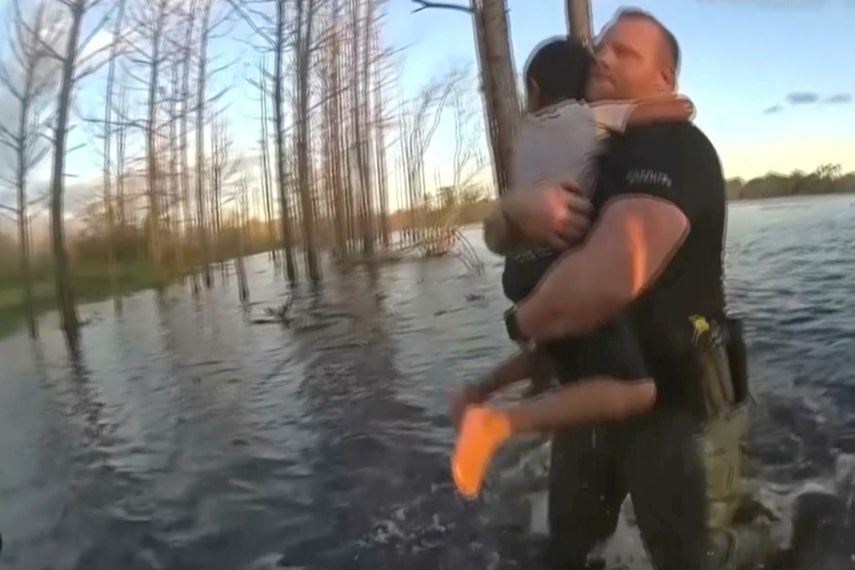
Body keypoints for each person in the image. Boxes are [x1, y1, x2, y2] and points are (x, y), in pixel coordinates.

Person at [453, 8, 752, 570]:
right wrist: (518, 211)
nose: (604, 58)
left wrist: (521, 323)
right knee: (570, 548)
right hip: (590, 396)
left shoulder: (677, 150)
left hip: (676, 412)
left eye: (626, 53)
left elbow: (610, 277)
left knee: (690, 559)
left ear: (664, 79)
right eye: (603, 49)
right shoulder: (587, 149)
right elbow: (498, 238)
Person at [453, 36, 695, 498]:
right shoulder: (588, 119)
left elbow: (499, 228)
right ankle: (496, 423)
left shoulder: (528, 130)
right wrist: (674, 102)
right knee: (639, 390)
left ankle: (478, 391)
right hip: (557, 267)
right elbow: (661, 112)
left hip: (521, 271)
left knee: (554, 354)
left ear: (535, 89)